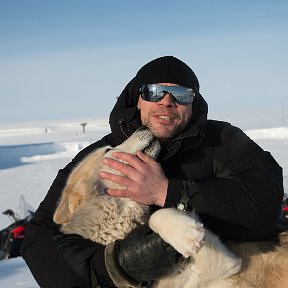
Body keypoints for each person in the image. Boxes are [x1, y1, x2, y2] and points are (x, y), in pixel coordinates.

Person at [22, 56, 284, 288]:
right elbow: (39, 240)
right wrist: (115, 265)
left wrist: (167, 192)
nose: (167, 102)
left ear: (193, 103)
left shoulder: (221, 140)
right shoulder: (103, 155)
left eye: (181, 94)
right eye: (154, 92)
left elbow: (266, 200)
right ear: (137, 98)